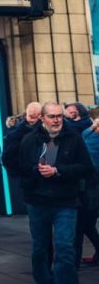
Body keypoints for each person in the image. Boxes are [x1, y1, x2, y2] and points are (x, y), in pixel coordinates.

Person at [14, 102, 95, 284]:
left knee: (65, 247)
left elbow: (86, 167)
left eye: (59, 116)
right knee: (40, 248)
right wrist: (36, 170)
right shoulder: (29, 139)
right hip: (37, 200)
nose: (57, 120)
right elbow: (21, 167)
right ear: (42, 118)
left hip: (65, 201)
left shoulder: (73, 138)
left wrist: (58, 171)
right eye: (52, 116)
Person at [79, 113, 99, 266]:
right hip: (91, 187)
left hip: (93, 187)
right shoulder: (89, 135)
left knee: (86, 223)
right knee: (87, 223)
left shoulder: (90, 137)